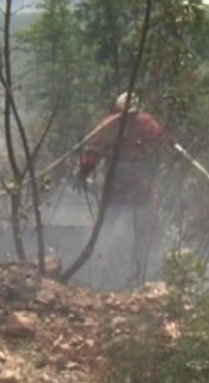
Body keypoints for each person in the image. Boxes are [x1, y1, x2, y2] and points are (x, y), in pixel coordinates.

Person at [75, 91, 168, 286]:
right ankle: (111, 266)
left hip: (123, 181)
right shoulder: (141, 123)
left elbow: (93, 151)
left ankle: (131, 267)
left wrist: (85, 169)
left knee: (115, 223)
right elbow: (161, 143)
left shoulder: (112, 123)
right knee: (134, 224)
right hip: (131, 182)